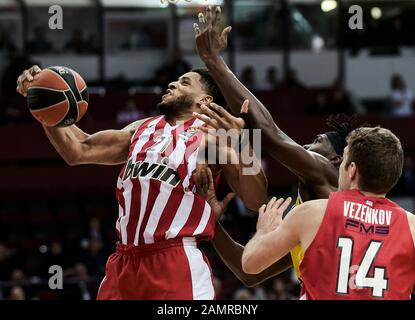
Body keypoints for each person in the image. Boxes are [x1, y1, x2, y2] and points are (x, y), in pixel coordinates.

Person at [16, 65, 267, 300]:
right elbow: (78, 150)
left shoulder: (213, 136)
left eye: (184, 82)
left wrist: (243, 141)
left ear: (205, 101)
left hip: (175, 259)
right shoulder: (142, 128)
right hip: (123, 261)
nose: (171, 84)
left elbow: (256, 200)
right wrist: (42, 103)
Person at [192, 5, 361, 288]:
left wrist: (214, 61)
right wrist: (209, 220)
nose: (305, 146)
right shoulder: (308, 216)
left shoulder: (328, 178)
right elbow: (250, 273)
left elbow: (271, 136)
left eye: (317, 143)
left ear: (337, 160)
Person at [242, 127, 415, 299]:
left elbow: (250, 264)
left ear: (352, 170)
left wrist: (263, 232)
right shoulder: (411, 226)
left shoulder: (312, 213)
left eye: (344, 160)